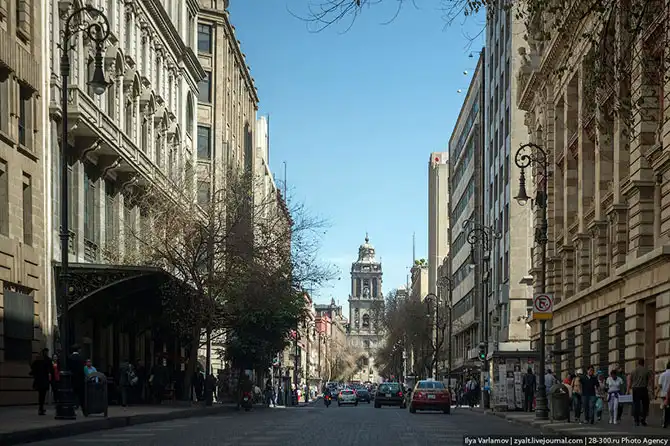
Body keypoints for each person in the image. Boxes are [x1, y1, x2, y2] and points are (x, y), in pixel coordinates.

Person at [628, 358, 653, 426]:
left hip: (635, 389)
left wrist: (627, 390)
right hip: (643, 389)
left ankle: (636, 420)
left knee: (636, 405)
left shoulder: (633, 371)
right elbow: (650, 381)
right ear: (643, 363)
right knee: (645, 405)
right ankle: (643, 419)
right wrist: (650, 389)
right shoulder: (646, 371)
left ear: (638, 363)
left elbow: (630, 381)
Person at [30, 348, 53, 415]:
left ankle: (41, 408)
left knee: (41, 395)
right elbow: (50, 370)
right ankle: (41, 408)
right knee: (42, 395)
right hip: (44, 380)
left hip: (39, 380)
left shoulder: (38, 360)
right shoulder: (47, 360)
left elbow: (32, 368)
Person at [658, 360, 670, 429]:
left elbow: (660, 386)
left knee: (665, 409)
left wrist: (656, 393)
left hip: (664, 394)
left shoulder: (662, 375)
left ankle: (664, 422)